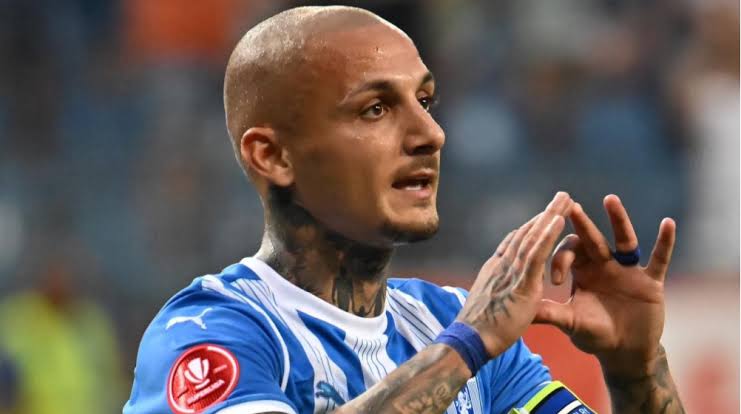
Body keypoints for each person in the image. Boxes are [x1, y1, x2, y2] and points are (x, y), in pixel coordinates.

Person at [124, 6, 685, 414]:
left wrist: (636, 371)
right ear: (272, 155)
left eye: (424, 101)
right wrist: (467, 347)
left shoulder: (448, 321)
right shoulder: (210, 335)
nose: (431, 134)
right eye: (375, 109)